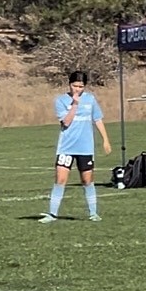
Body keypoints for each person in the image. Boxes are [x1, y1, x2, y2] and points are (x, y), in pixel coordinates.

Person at [40, 70, 112, 223]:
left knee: (87, 180)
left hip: (85, 147)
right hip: (66, 147)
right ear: (69, 84)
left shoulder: (91, 99)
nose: (77, 89)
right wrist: (74, 104)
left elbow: (97, 120)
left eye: (81, 86)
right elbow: (66, 122)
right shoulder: (60, 101)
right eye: (75, 86)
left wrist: (105, 140)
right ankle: (52, 214)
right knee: (60, 179)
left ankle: (93, 213)